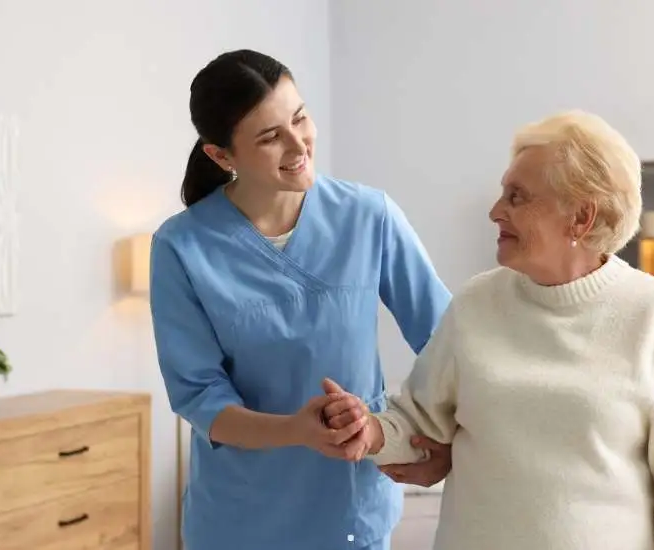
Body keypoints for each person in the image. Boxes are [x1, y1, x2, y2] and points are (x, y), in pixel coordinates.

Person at [323, 111, 654, 549]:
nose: (495, 211)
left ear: (580, 217)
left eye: (517, 197)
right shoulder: (476, 304)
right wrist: (368, 430)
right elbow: (418, 421)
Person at [149, 49, 453, 550]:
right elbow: (200, 397)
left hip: (351, 508)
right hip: (239, 518)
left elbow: (446, 342)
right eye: (270, 137)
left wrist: (433, 440)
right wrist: (295, 429)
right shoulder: (181, 247)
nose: (299, 144)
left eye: (300, 118)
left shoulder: (368, 216)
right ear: (222, 156)